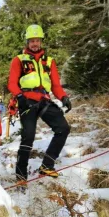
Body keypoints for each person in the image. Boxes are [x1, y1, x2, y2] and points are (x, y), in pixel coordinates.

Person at [7, 24, 72, 185]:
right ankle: (21, 178)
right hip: (27, 101)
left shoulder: (49, 62)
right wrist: (20, 96)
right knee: (28, 137)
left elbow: (56, 85)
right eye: (31, 41)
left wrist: (63, 97)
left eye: (37, 40)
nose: (34, 43)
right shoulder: (19, 60)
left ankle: (47, 165)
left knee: (63, 128)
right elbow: (12, 83)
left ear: (41, 41)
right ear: (27, 42)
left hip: (44, 100)